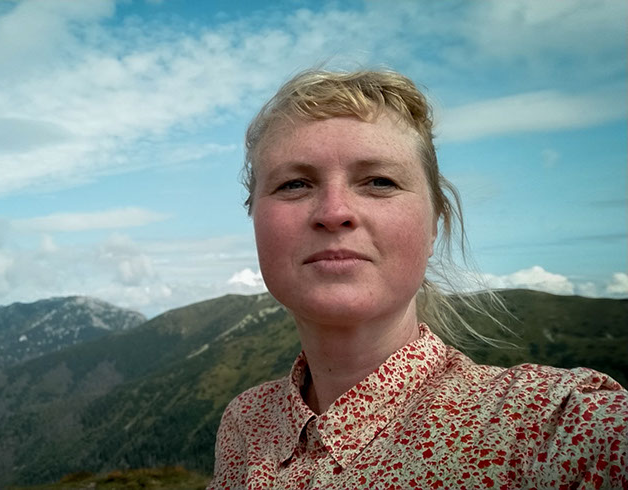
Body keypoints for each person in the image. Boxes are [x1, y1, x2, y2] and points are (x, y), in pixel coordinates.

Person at [209, 69, 627, 489]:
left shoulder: (549, 428)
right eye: (294, 184)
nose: (334, 212)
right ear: (255, 219)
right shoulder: (246, 421)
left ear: (434, 226)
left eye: (380, 181)